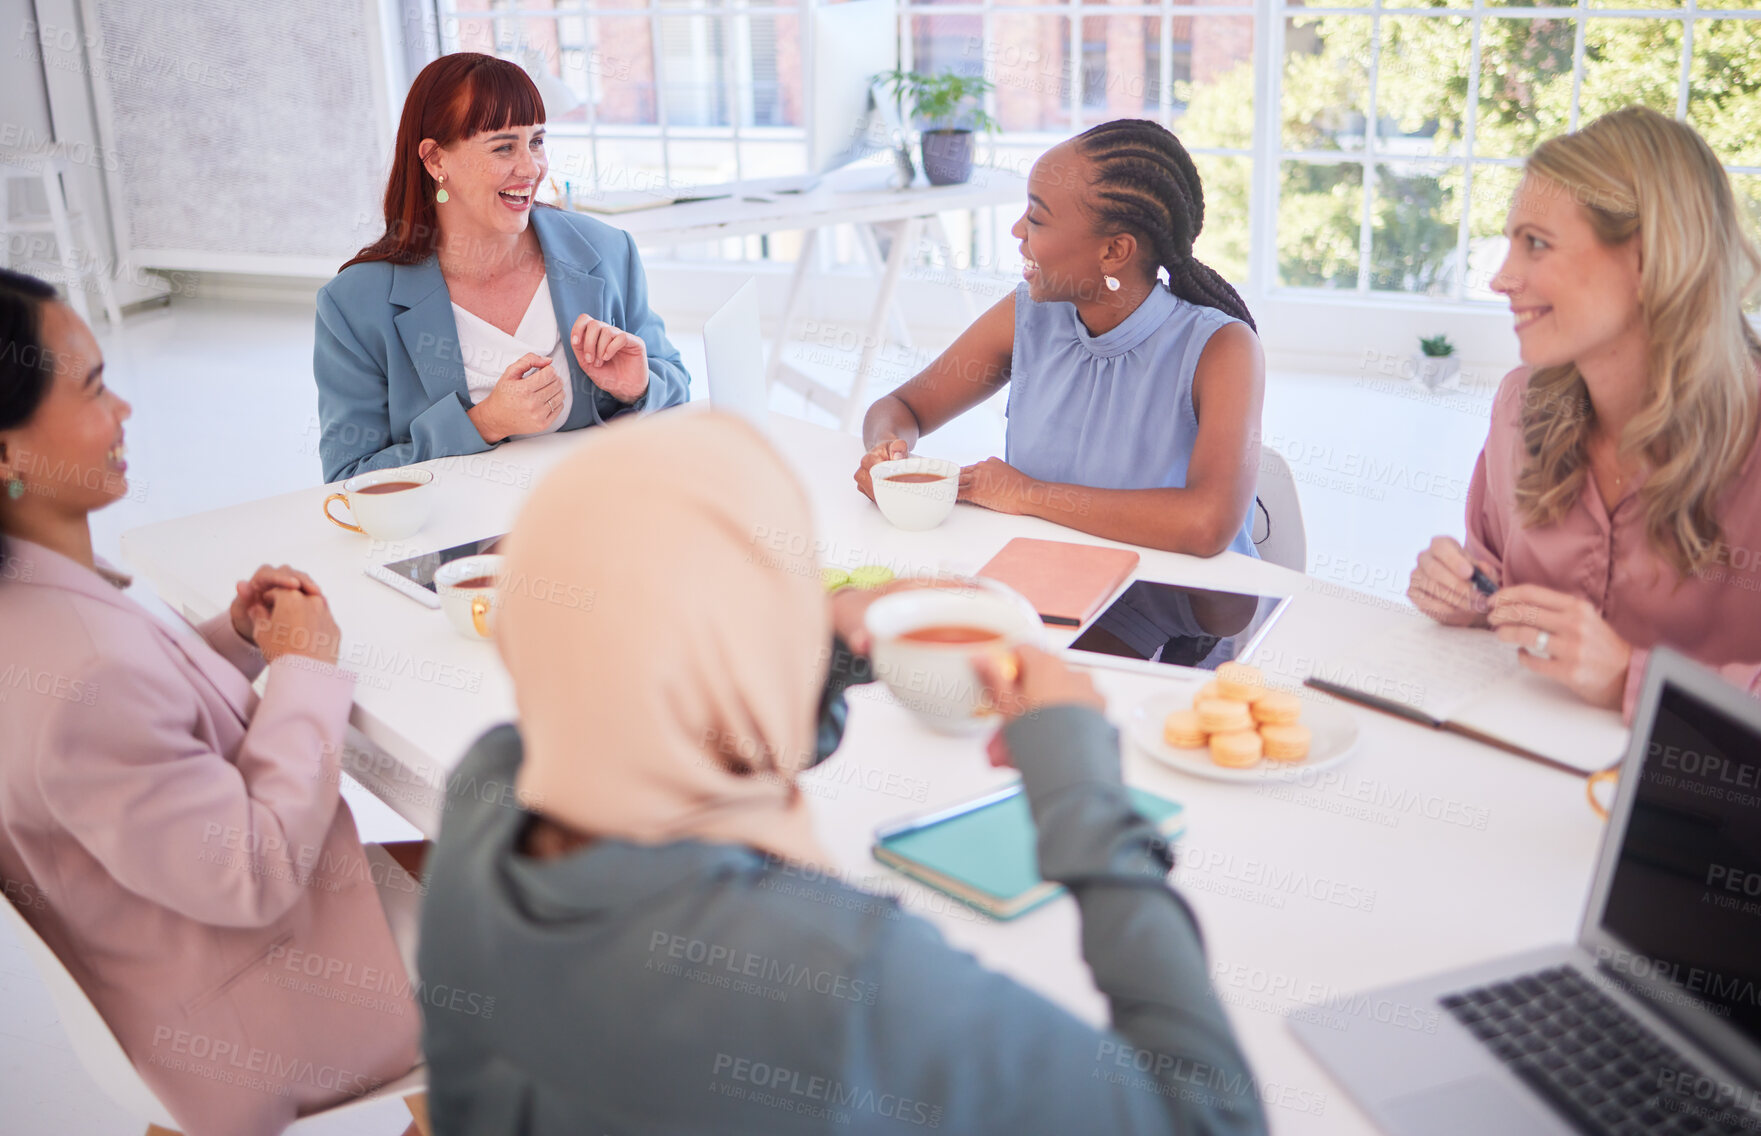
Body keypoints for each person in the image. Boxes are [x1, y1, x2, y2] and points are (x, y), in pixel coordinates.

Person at [417, 412, 1268, 1135]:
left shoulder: (488, 792)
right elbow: (1207, 1115)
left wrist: (808, 636)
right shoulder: (833, 975)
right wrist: (1081, 786)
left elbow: (697, 727)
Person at [0, 268, 424, 1136]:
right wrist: (304, 667)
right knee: (537, 911)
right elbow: (253, 871)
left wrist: (231, 640)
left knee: (470, 861)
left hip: (165, 954)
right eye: (92, 388)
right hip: (260, 994)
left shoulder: (36, 613)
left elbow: (140, 729)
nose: (124, 411)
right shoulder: (83, 674)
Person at [1407, 107, 1761, 719]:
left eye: (1536, 244)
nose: (1501, 279)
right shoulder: (1522, 405)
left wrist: (1632, 676)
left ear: (1649, 260)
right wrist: (1469, 592)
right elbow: (1493, 569)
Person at [856, 118, 1265, 557]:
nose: (1018, 231)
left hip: (1182, 609)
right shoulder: (1029, 316)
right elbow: (900, 408)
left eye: (1036, 218)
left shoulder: (1223, 350)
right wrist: (886, 454)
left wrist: (1028, 495)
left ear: (1114, 251)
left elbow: (1207, 524)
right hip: (1053, 580)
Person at [314, 53, 690, 482]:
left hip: (593, 518)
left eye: (536, 142)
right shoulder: (354, 305)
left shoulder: (605, 250)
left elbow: (674, 380)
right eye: (503, 147)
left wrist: (637, 387)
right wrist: (484, 423)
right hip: (462, 541)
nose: (532, 169)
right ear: (436, 160)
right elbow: (350, 476)